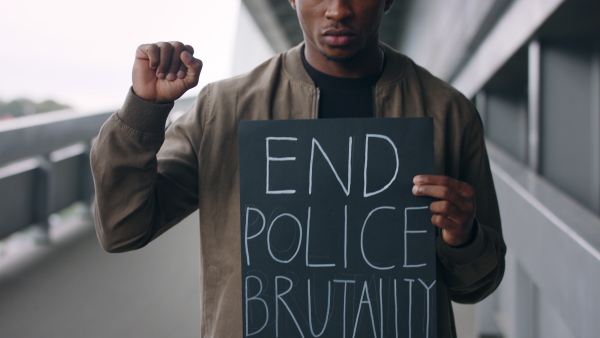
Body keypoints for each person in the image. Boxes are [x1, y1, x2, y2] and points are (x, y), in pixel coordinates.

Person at [91, 0, 506, 337]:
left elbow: (478, 286)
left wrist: (464, 237)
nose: (337, 10)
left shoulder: (447, 112)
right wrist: (145, 110)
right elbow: (123, 229)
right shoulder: (225, 109)